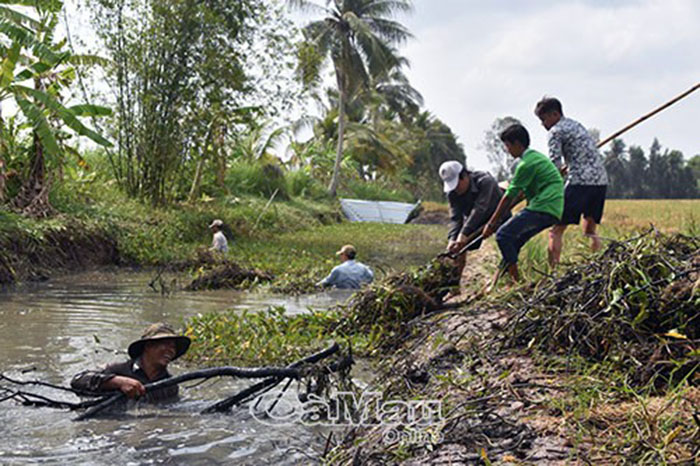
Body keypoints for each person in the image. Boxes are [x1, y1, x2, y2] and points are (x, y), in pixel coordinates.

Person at [482, 124, 564, 283]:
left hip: (544, 206)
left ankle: (516, 283)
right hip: (553, 209)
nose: (507, 149)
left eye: (507, 145)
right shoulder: (535, 157)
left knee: (502, 235)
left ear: (517, 144)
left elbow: (508, 196)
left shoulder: (526, 164)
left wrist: (491, 223)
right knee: (514, 241)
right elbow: (522, 192)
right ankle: (495, 281)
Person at [534, 97, 608, 267]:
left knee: (556, 230)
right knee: (590, 231)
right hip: (600, 181)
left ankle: (553, 274)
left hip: (579, 182)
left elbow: (554, 165)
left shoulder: (555, 131)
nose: (543, 124)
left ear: (554, 114)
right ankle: (598, 267)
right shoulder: (577, 125)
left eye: (543, 119)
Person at [71, 323, 191, 403]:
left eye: (173, 347)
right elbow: (78, 380)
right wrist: (117, 382)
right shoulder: (117, 369)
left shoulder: (170, 385)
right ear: (148, 346)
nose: (171, 350)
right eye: (165, 344)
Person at [439, 160, 509, 276]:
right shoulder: (452, 193)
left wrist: (464, 232)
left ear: (465, 176)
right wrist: (453, 239)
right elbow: (456, 218)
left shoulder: (485, 181)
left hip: (498, 216)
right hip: (475, 221)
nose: (455, 189)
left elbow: (480, 208)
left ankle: (504, 278)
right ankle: (454, 286)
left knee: (506, 241)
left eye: (456, 184)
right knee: (458, 248)